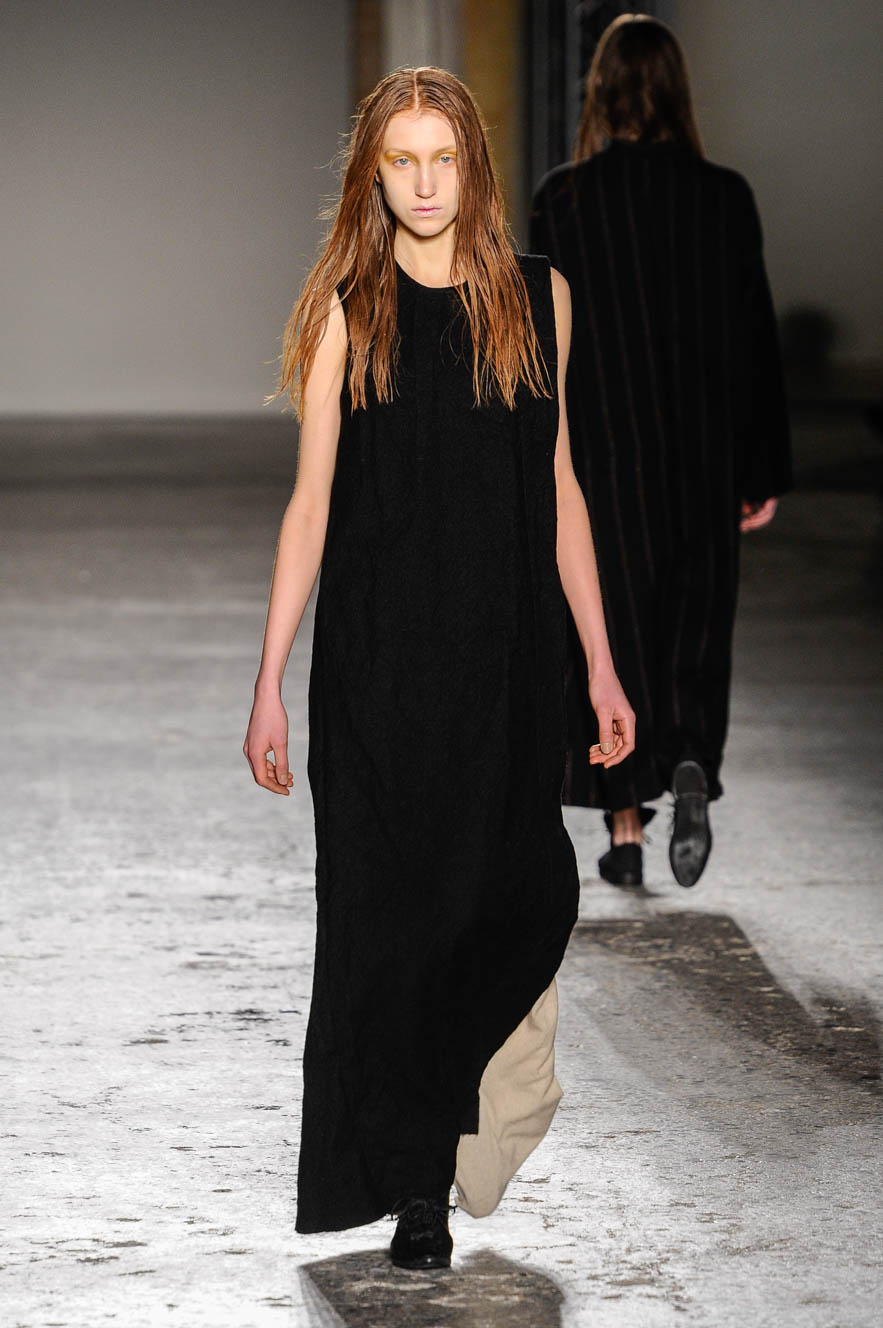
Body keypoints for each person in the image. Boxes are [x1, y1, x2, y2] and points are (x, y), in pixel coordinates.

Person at [243, 67, 635, 1267]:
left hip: (506, 669)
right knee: (388, 928)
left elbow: (558, 486)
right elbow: (310, 506)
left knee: (514, 895)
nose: (423, 183)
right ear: (373, 171)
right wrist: (267, 679)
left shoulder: (537, 297)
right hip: (377, 674)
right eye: (400, 160)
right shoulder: (347, 311)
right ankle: (418, 1186)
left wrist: (602, 665)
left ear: (473, 164)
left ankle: (466, 1116)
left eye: (443, 158)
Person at [529, 14, 792, 890]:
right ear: (680, 92)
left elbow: (543, 344)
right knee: (694, 626)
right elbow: (754, 340)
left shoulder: (564, 199)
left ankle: (625, 831)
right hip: (703, 456)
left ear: (598, 93)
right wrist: (761, 468)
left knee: (612, 635)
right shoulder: (724, 197)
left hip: (606, 457)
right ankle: (687, 761)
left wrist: (536, 461)